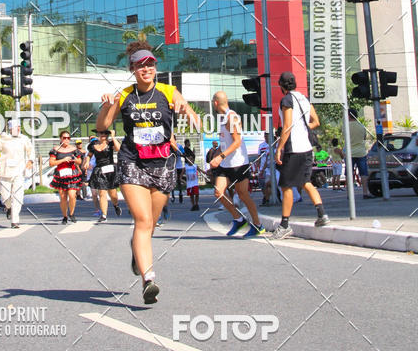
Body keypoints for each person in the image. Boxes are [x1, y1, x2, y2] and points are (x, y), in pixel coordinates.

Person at [97, 41, 199, 304]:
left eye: (150, 64)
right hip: (132, 162)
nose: (146, 69)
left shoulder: (168, 91)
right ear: (132, 69)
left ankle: (136, 251)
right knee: (142, 221)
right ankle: (148, 278)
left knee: (150, 224)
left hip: (162, 165)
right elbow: (103, 126)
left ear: (155, 67)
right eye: (141, 65)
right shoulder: (124, 95)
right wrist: (107, 105)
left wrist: (188, 111)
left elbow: (189, 112)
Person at [271, 71, 330, 239]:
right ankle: (322, 214)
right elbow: (316, 121)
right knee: (305, 182)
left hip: (293, 148)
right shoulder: (304, 98)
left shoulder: (287, 100)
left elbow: (287, 126)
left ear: (281, 86)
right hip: (307, 148)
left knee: (286, 186)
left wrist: (279, 148)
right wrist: (303, 130)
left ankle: (284, 225)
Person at [209, 92, 265, 237]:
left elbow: (237, 142)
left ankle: (258, 225)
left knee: (243, 194)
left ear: (215, 103)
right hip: (225, 164)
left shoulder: (231, 117)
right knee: (218, 192)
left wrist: (220, 157)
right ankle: (238, 219)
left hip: (238, 163)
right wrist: (215, 158)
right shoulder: (222, 119)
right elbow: (224, 143)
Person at [0, 122, 34, 228]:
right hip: (4, 171)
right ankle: (8, 207)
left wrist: (30, 160)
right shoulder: (3, 139)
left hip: (19, 171)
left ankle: (15, 221)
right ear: (10, 129)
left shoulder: (24, 139)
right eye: (15, 127)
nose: (17, 129)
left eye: (19, 127)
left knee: (18, 197)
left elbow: (31, 150)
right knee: (5, 196)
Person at [87, 129, 122, 222]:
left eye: (106, 133)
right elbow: (89, 155)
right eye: (101, 133)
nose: (103, 135)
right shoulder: (93, 145)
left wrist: (113, 137)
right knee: (102, 193)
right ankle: (104, 215)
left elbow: (118, 149)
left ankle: (116, 205)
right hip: (99, 170)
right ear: (98, 134)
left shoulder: (111, 144)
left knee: (112, 193)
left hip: (110, 169)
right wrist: (86, 161)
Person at [49, 131, 83, 224]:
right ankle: (65, 216)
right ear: (60, 138)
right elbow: (51, 163)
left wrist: (75, 160)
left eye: (68, 138)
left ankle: (71, 213)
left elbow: (80, 161)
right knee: (63, 197)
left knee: (72, 195)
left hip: (72, 174)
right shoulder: (56, 149)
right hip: (61, 174)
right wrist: (63, 160)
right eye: (64, 138)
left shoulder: (73, 149)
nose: (66, 140)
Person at [347, 109, 374, 198]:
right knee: (363, 173)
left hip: (349, 152)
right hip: (361, 152)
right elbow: (364, 137)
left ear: (349, 116)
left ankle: (349, 194)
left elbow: (344, 137)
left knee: (349, 174)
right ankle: (365, 193)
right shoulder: (361, 126)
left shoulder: (346, 126)